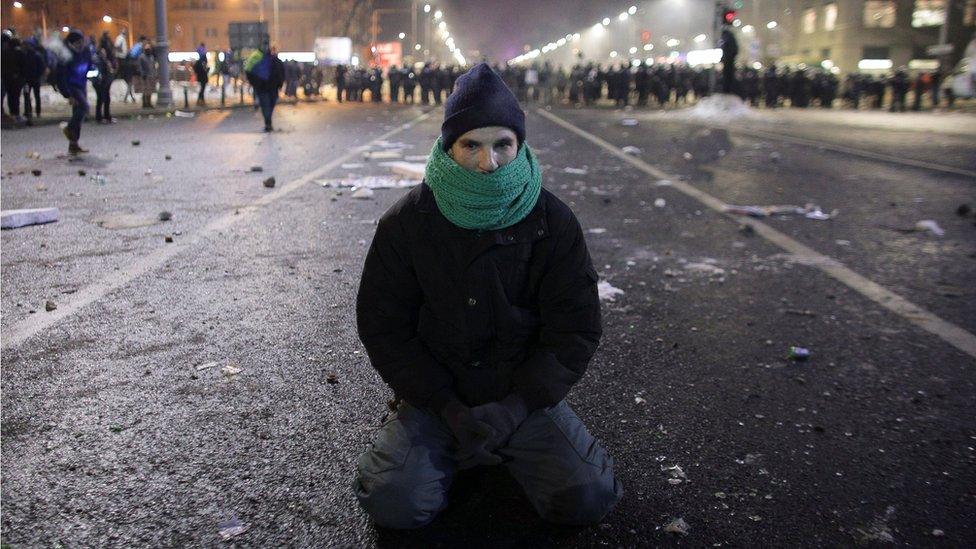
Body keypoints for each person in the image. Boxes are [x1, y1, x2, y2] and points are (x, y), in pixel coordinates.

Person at [353, 63, 622, 530]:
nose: (488, 162)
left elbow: (574, 328)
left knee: (586, 499)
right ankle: (445, 447)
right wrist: (444, 404)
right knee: (395, 504)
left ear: (520, 146)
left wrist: (517, 406)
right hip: (437, 400)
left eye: (502, 144)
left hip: (521, 398)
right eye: (471, 145)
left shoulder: (553, 222)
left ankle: (490, 449)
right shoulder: (407, 224)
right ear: (448, 146)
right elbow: (384, 325)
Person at [55, 29, 93, 155]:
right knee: (84, 108)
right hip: (72, 87)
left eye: (82, 41)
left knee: (79, 114)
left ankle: (73, 145)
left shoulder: (85, 52)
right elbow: (60, 77)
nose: (81, 44)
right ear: (71, 43)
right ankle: (69, 128)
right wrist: (68, 94)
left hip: (82, 85)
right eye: (78, 42)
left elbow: (90, 65)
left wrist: (93, 73)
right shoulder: (66, 56)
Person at [244, 41, 284, 132]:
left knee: (265, 106)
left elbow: (249, 71)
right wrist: (279, 85)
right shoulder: (276, 61)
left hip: (262, 88)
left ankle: (268, 123)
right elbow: (281, 74)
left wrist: (254, 84)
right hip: (273, 88)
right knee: (270, 105)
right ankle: (268, 122)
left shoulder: (257, 59)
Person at [93, 31, 117, 123]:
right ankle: (100, 117)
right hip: (101, 78)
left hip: (103, 78)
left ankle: (105, 116)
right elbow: (102, 66)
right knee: (102, 98)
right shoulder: (101, 54)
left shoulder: (102, 52)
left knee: (105, 97)